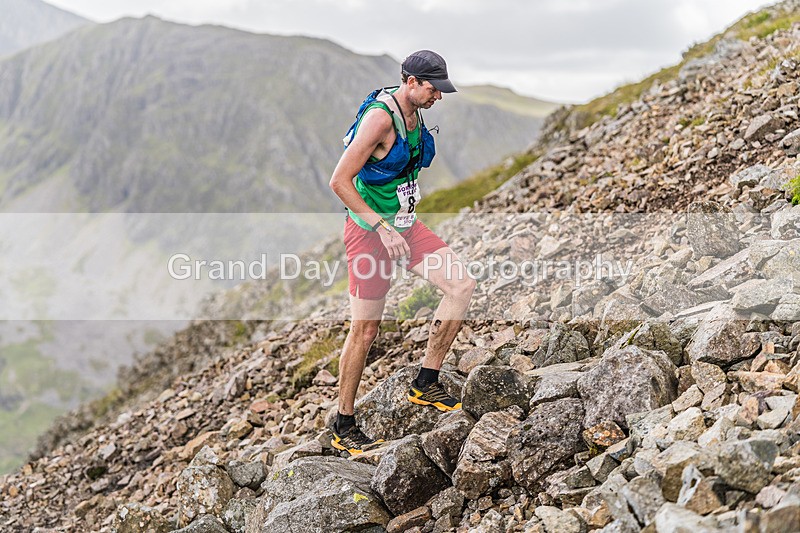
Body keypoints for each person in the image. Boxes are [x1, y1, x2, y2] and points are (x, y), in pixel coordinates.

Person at [328, 50, 476, 455]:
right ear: (410, 81)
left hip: (406, 226)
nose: (438, 97)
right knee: (366, 330)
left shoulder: (417, 112)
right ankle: (344, 423)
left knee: (461, 285)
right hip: (370, 233)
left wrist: (398, 226)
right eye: (433, 89)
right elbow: (340, 181)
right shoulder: (380, 118)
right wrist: (380, 226)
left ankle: (426, 383)